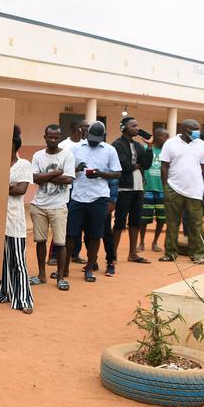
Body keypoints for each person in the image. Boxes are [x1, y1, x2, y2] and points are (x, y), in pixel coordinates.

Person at [60, 121, 121, 285]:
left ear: (103, 136)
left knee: (95, 235)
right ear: (86, 134)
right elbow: (67, 170)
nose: (93, 141)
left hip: (99, 198)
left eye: (97, 138)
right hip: (77, 197)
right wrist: (77, 168)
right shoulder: (76, 149)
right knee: (71, 234)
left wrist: (101, 174)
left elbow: (117, 174)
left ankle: (89, 268)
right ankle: (64, 268)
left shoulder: (110, 150)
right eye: (91, 137)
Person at [29, 124, 74, 290]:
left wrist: (44, 176)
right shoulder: (38, 156)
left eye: (56, 137)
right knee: (40, 241)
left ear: (59, 138)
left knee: (60, 243)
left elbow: (68, 179)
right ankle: (41, 275)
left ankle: (60, 278)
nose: (53, 140)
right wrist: (56, 173)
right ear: (45, 137)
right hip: (39, 205)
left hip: (59, 205)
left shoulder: (67, 155)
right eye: (50, 137)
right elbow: (34, 178)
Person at [159, 119, 204, 264]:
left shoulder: (200, 144)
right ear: (185, 129)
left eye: (198, 129)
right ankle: (170, 253)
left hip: (195, 190)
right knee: (172, 223)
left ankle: (197, 255)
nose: (197, 132)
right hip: (174, 189)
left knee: (196, 224)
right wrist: (166, 187)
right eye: (195, 129)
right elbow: (164, 166)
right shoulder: (170, 143)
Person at [0, 133, 34, 313]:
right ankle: (4, 291)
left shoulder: (24, 165)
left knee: (18, 260)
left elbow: (21, 190)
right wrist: (9, 186)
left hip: (14, 220)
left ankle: (24, 299)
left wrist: (4, 187)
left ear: (14, 146)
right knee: (1, 260)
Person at [111, 117, 153, 268]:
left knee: (136, 220)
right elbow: (124, 166)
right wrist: (137, 165)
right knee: (120, 221)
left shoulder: (139, 145)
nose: (137, 128)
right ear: (124, 127)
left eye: (137, 125)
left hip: (138, 188)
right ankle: (112, 254)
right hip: (124, 188)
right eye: (133, 125)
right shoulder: (117, 144)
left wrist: (149, 147)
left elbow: (146, 165)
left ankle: (133, 253)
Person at [53, 119, 90, 266]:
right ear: (79, 129)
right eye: (86, 127)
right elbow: (56, 170)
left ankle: (75, 253)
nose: (88, 130)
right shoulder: (63, 146)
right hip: (64, 189)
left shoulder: (86, 145)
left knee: (78, 224)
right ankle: (55, 254)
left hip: (81, 189)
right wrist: (75, 170)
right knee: (61, 222)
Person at [138, 127, 168, 253]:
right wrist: (142, 181)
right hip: (147, 189)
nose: (166, 140)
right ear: (156, 136)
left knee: (161, 218)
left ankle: (155, 242)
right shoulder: (146, 149)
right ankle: (141, 242)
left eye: (167, 137)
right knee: (143, 218)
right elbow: (140, 166)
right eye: (163, 137)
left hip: (162, 190)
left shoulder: (167, 152)